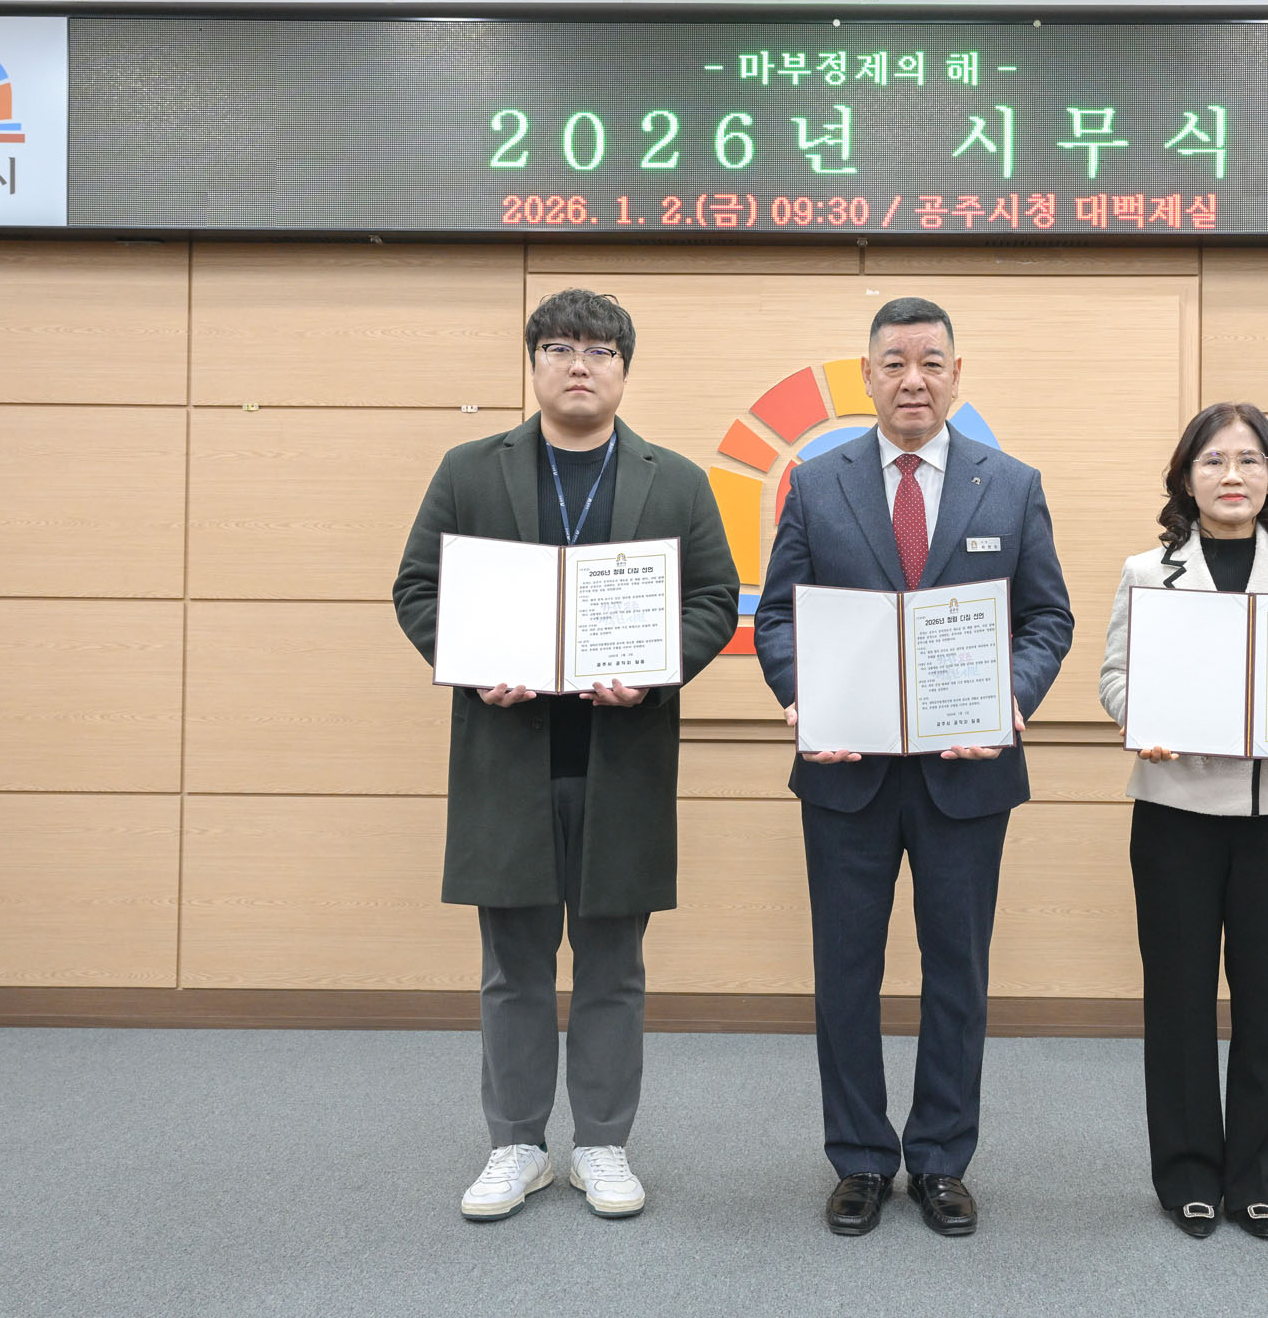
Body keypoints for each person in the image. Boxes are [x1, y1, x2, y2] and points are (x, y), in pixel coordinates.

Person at [392, 288, 739, 1223]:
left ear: (625, 369)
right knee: (513, 966)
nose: (579, 364)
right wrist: (472, 667)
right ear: (535, 363)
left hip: (620, 758)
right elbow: (418, 588)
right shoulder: (471, 470)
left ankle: (601, 1144)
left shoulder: (676, 481)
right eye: (559, 348)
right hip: (508, 758)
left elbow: (714, 597)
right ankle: (515, 1145)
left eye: (598, 350)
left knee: (613, 965)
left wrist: (653, 674)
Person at [753, 296, 1073, 1239]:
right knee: (845, 972)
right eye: (894, 363)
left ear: (956, 376)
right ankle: (858, 1157)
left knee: (958, 973)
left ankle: (939, 1159)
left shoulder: (1010, 486)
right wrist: (801, 697)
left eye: (931, 362)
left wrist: (1010, 699)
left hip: (966, 775)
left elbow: (1046, 619)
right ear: (867, 377)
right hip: (846, 771)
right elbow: (779, 617)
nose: (913, 380)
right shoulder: (816, 484)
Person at [1096, 401, 1268, 1242]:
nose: (1231, 475)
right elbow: (1115, 677)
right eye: (1212, 461)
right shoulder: (1147, 570)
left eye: (1249, 460)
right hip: (1176, 812)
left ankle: (1258, 1179)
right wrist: (1142, 721)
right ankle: (1187, 1176)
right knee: (1177, 1000)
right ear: (1186, 478)